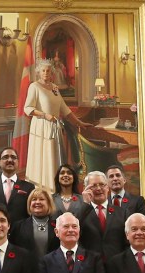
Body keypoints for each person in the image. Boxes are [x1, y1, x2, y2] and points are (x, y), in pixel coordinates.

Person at [23, 59, 91, 191]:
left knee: (54, 157)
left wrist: (79, 123)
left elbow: (64, 109)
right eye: (43, 70)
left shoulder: (54, 88)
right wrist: (44, 115)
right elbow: (28, 108)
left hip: (55, 127)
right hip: (41, 128)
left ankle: (55, 187)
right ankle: (42, 188)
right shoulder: (34, 86)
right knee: (43, 157)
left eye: (48, 70)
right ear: (38, 72)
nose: (46, 73)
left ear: (52, 72)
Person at [76, 171, 133, 260]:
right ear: (86, 189)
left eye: (102, 184)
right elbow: (73, 232)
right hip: (90, 265)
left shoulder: (123, 213)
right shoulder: (82, 212)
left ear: (107, 188)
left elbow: (128, 242)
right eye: (93, 186)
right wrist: (86, 204)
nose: (98, 188)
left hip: (116, 265)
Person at [9, 188, 59, 265]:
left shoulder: (58, 226)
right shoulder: (18, 226)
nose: (37, 202)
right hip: (26, 272)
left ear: (49, 203)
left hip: (52, 271)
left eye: (41, 199)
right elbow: (11, 251)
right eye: (34, 199)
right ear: (29, 203)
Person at [0, 148, 36, 222]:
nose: (10, 160)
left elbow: (32, 214)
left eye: (13, 157)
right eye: (5, 157)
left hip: (20, 232)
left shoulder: (29, 187)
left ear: (18, 162)